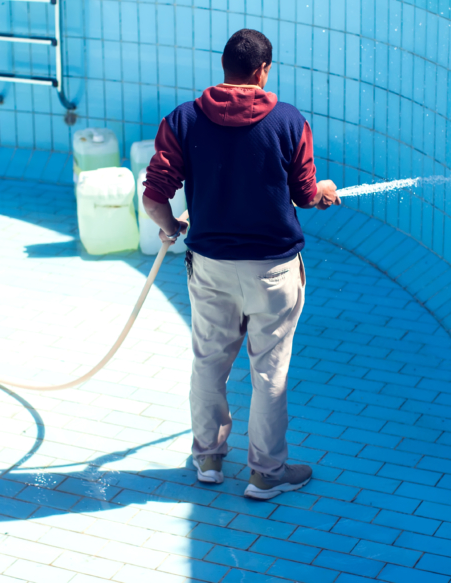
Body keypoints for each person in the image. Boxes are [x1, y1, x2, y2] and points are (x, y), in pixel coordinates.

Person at [142, 29, 341, 500]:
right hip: (273, 270)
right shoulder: (290, 122)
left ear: (225, 66)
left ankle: (209, 458)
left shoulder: (185, 119)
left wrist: (170, 224)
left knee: (209, 361)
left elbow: (153, 196)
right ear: (263, 70)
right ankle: (265, 473)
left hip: (210, 265)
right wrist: (323, 194)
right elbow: (306, 194)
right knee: (269, 370)